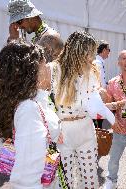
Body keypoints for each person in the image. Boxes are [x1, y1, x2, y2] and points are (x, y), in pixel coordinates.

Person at [49, 31, 114, 189]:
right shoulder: (53, 69)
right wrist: (53, 130)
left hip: (86, 129)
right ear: (77, 49)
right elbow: (46, 103)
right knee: (65, 181)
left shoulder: (90, 71)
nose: (92, 57)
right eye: (89, 52)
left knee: (90, 178)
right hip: (63, 132)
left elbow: (92, 103)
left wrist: (111, 115)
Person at [0, 41, 61, 188]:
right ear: (34, 71)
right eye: (45, 64)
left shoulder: (20, 99)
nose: (48, 68)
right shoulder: (28, 109)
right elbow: (27, 178)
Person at [103, 50, 126, 189]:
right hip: (120, 127)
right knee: (114, 158)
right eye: (123, 58)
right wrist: (113, 122)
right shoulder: (112, 83)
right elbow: (107, 107)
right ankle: (112, 180)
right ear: (118, 62)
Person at [93, 40, 110, 129]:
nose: (109, 52)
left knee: (99, 116)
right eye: (108, 50)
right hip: (98, 94)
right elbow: (96, 81)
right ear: (103, 50)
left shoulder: (100, 62)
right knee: (98, 117)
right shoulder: (97, 63)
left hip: (100, 94)